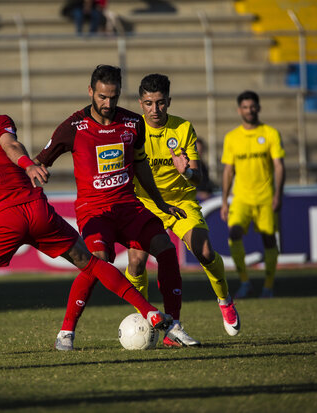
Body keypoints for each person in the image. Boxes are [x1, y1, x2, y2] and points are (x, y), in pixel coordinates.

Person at [0, 75, 172, 357]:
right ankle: (150, 311)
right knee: (91, 265)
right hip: (36, 211)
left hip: (3, 222)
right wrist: (27, 165)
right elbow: (11, 146)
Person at [35, 65, 200, 350]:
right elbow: (40, 162)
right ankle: (66, 333)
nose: (108, 104)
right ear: (90, 92)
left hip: (128, 206)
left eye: (113, 97)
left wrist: (160, 202)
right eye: (101, 97)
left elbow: (140, 166)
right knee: (97, 260)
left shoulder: (133, 123)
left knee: (166, 249)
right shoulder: (72, 127)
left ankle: (173, 327)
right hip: (94, 210)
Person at [125, 74, 240, 337]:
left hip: (181, 201)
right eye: (149, 103)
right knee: (136, 262)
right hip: (146, 203)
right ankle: (142, 315)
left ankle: (224, 300)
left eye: (161, 103)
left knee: (206, 251)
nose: (155, 109)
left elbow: (198, 177)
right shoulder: (132, 130)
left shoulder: (183, 128)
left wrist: (186, 172)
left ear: (169, 102)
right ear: (140, 103)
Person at [220, 90, 286, 299]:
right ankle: (245, 282)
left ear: (258, 107)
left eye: (252, 106)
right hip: (241, 198)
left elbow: (279, 166)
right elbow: (228, 171)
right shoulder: (232, 137)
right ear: (240, 110)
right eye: (245, 107)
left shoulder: (270, 133)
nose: (249, 110)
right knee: (233, 234)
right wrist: (224, 201)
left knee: (269, 239)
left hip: (266, 197)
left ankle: (268, 286)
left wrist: (278, 195)